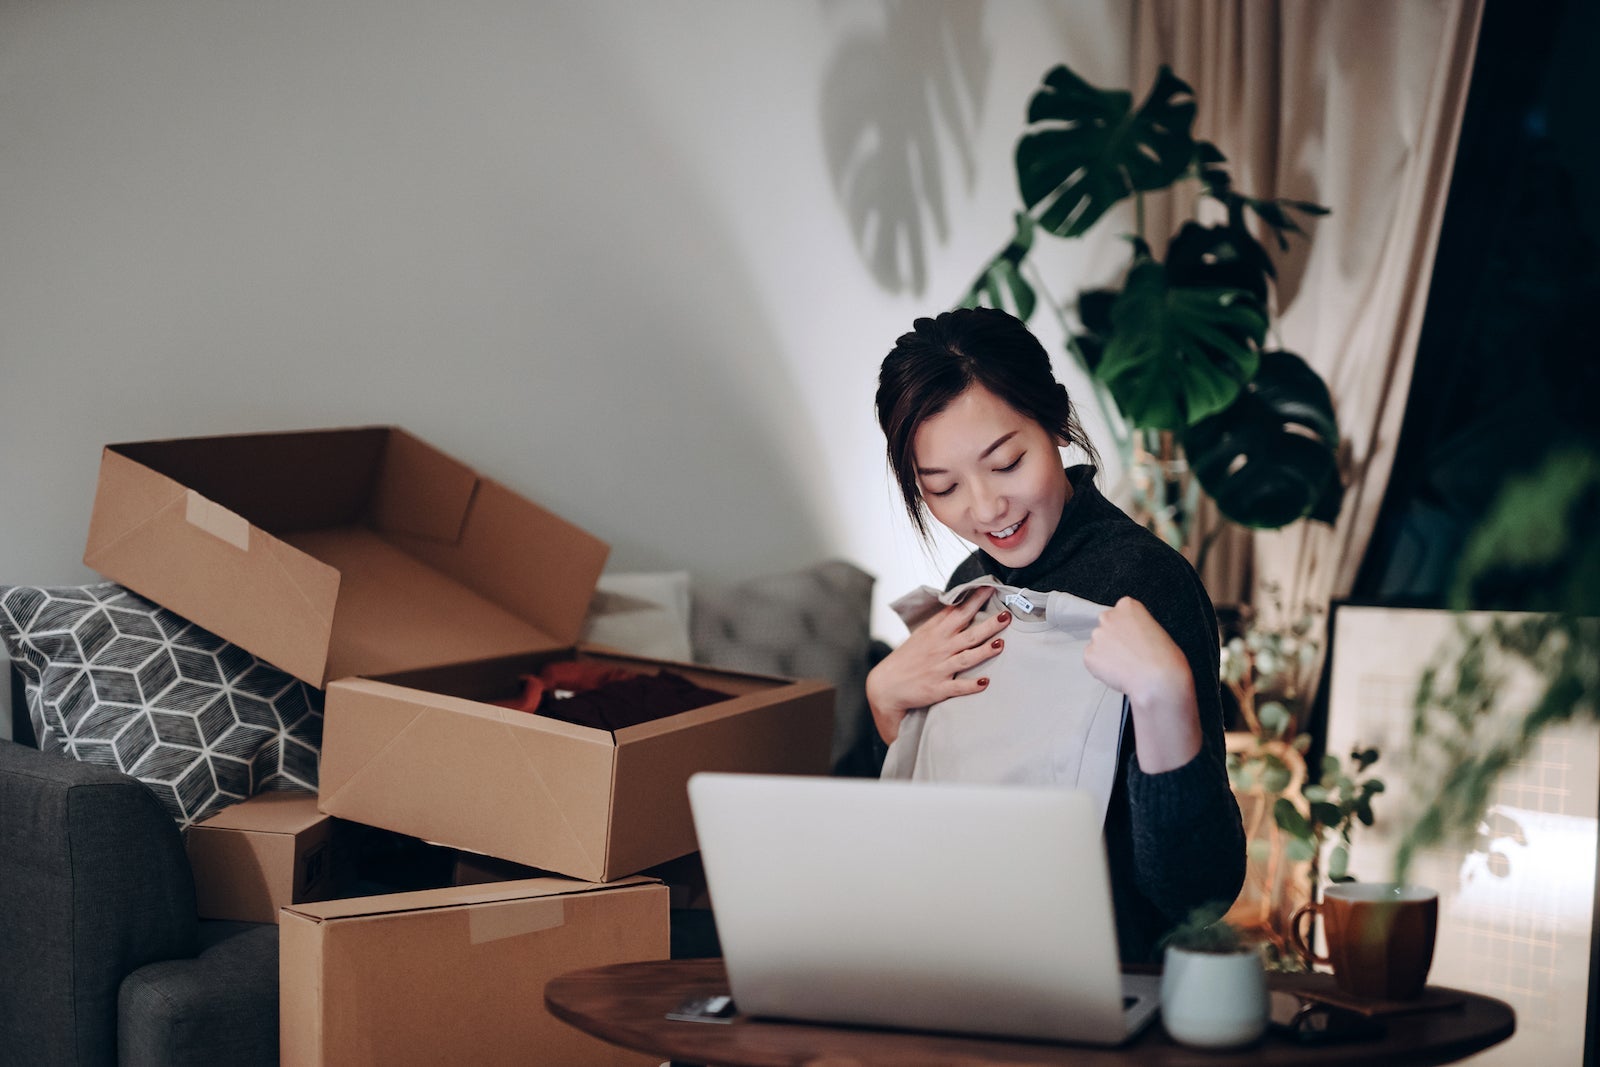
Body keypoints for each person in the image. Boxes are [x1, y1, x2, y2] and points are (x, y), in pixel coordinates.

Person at [866, 306, 1245, 963]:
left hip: (1104, 983)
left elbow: (1195, 897)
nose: (984, 509)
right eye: (944, 486)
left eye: (1007, 462)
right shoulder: (967, 582)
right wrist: (886, 704)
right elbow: (938, 831)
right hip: (959, 965)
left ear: (1057, 423)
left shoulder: (1150, 584)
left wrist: (1167, 699)